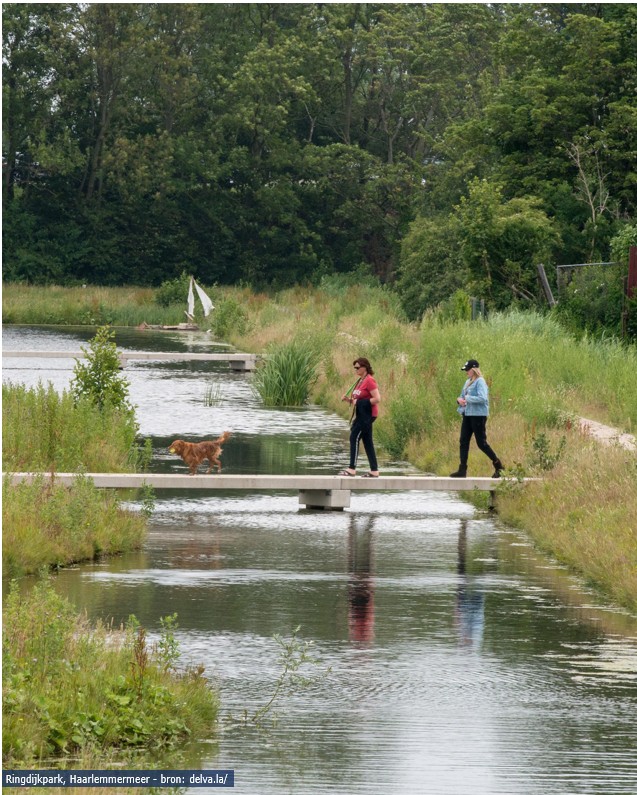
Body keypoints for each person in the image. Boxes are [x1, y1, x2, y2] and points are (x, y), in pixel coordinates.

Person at [450, 359, 504, 478]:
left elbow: (483, 398)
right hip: (467, 414)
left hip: (478, 416)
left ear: (474, 370)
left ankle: (498, 465)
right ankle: (462, 469)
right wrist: (459, 400)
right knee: (463, 441)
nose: (466, 372)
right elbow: (462, 396)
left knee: (481, 443)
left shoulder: (480, 382)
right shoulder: (467, 382)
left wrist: (468, 399)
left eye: (468, 370)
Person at [338, 357, 381, 477]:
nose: (355, 370)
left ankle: (352, 469)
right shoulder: (359, 381)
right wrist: (349, 400)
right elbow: (358, 399)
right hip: (361, 413)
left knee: (354, 437)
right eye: (354, 368)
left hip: (368, 414)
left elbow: (377, 399)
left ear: (365, 367)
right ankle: (374, 470)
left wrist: (359, 403)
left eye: (357, 367)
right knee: (367, 441)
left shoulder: (370, 381)